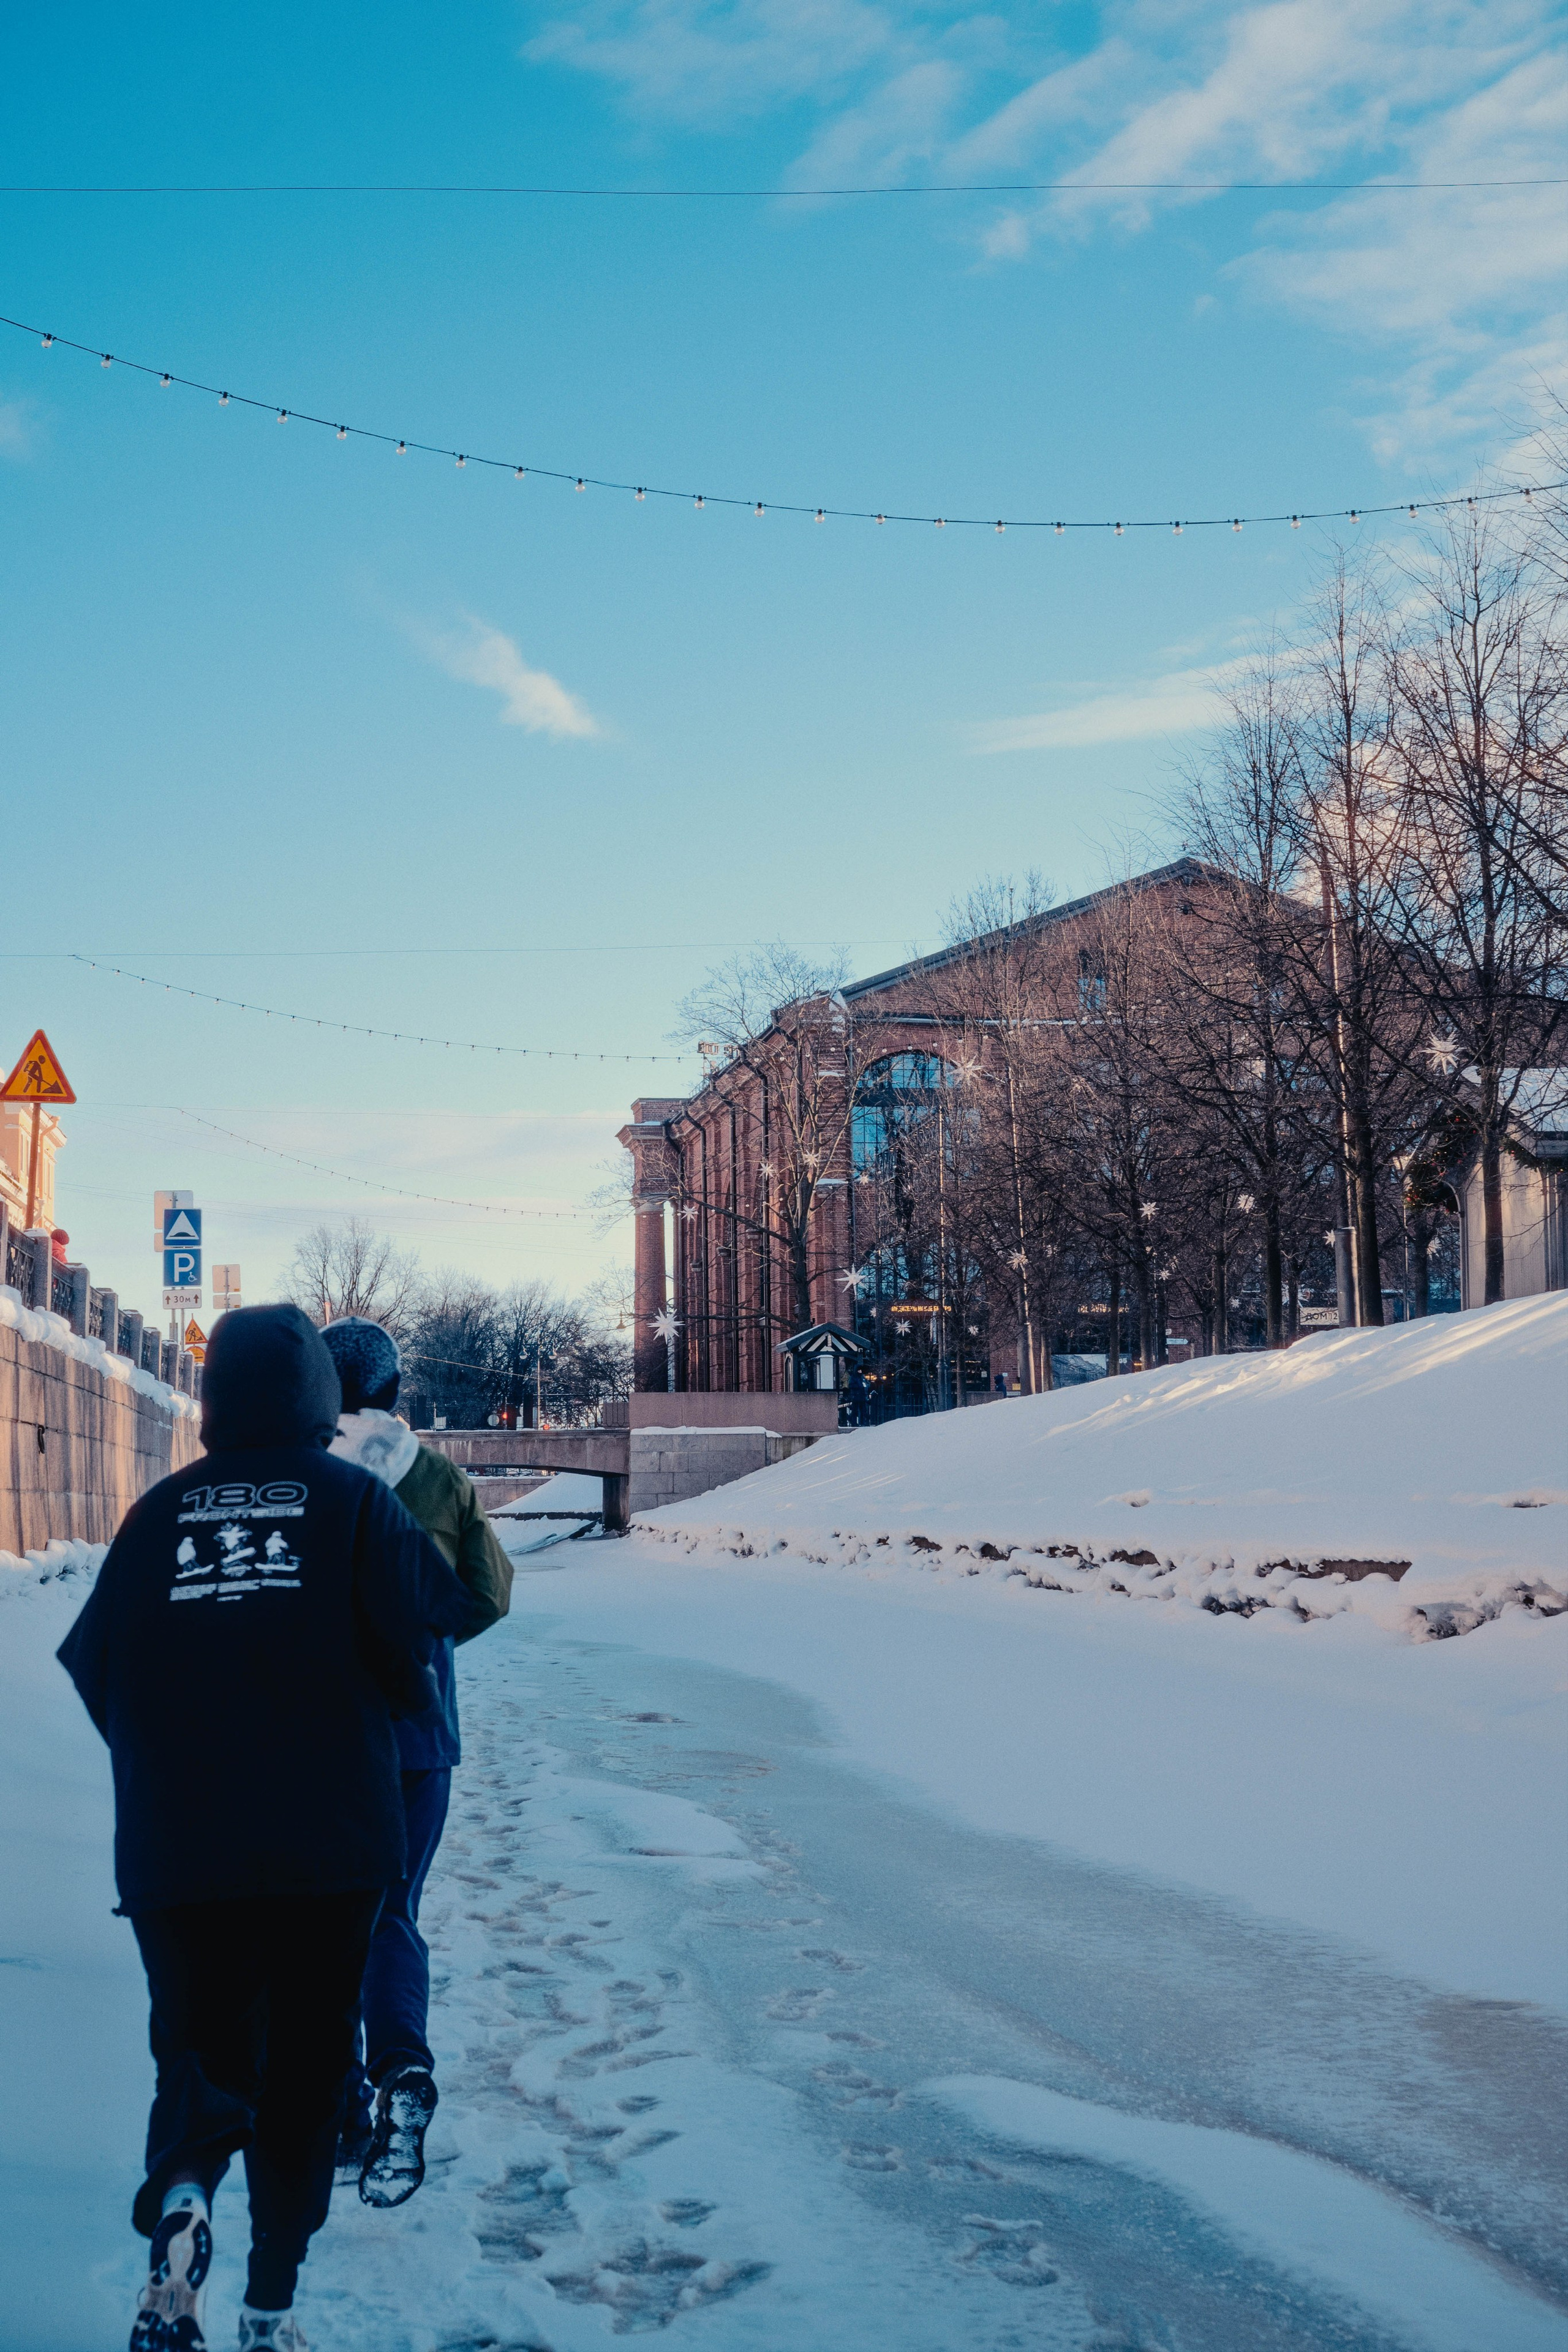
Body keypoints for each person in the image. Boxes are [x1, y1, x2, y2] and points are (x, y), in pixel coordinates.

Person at [57, 1303, 477, 2352]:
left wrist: (176, 1769)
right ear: (319, 1400)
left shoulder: (156, 1516)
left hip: (178, 1849)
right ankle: (270, 2305)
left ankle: (187, 2207)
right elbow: (422, 1647)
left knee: (196, 2056)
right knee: (301, 2077)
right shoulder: (354, 1503)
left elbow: (97, 1669)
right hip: (331, 1846)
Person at [318, 1316, 513, 2210]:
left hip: (318, 1741)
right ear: (395, 1391)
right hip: (421, 1741)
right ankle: (402, 2066)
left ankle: (343, 2118)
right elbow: (489, 1592)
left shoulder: (297, 1476)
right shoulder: (438, 1477)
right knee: (392, 1912)